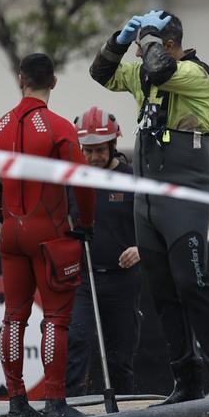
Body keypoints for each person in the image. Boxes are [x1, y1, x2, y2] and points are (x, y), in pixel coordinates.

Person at [88, 9, 209, 405]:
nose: (139, 54)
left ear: (168, 46)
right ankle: (186, 380)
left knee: (192, 283)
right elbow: (101, 73)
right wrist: (121, 39)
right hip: (147, 198)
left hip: (185, 193)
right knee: (163, 292)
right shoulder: (145, 75)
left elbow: (160, 68)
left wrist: (149, 38)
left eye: (146, 45)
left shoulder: (195, 73)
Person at [0, 53, 96, 417]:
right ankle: (54, 401)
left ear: (20, 79)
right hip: (49, 235)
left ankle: (17, 403)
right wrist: (85, 221)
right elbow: (82, 181)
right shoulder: (59, 127)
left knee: (14, 317)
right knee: (54, 319)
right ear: (54, 82)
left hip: (11, 232)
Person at [66, 106, 141, 396]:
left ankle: (123, 411)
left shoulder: (132, 179)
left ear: (113, 146)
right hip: (82, 278)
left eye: (99, 150)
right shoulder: (71, 178)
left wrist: (140, 249)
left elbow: (155, 223)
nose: (93, 157)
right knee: (77, 341)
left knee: (120, 356)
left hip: (122, 280)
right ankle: (70, 408)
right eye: (87, 150)